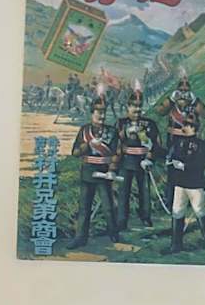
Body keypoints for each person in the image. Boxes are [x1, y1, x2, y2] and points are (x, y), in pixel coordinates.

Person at [68, 95, 120, 249]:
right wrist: (88, 145)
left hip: (104, 172)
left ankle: (114, 234)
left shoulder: (112, 131)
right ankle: (80, 238)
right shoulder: (84, 131)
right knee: (84, 208)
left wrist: (112, 170)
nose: (102, 116)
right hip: (87, 172)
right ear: (92, 113)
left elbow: (117, 153)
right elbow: (75, 153)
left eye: (104, 112)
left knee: (108, 207)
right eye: (98, 112)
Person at [162, 111, 205, 255]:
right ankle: (176, 245)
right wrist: (169, 161)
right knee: (177, 211)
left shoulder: (202, 145)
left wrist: (184, 166)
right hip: (180, 183)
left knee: (199, 210)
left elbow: (201, 163)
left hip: (195, 184)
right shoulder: (177, 143)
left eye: (188, 125)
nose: (185, 127)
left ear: (195, 128)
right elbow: (170, 156)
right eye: (185, 124)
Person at [157, 74, 205, 210]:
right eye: (181, 90)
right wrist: (170, 99)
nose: (183, 93)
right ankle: (171, 201)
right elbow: (160, 111)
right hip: (173, 141)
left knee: (189, 168)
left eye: (186, 90)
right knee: (172, 171)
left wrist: (195, 100)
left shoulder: (194, 106)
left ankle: (191, 201)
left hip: (191, 142)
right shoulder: (172, 105)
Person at [115, 89, 163, 230]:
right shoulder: (121, 123)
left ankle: (145, 218)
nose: (137, 109)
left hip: (143, 162)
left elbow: (156, 143)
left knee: (145, 191)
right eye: (134, 106)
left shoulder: (149, 124)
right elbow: (114, 142)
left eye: (139, 106)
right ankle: (121, 220)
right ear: (128, 106)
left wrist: (150, 157)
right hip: (126, 161)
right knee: (124, 192)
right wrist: (123, 136)